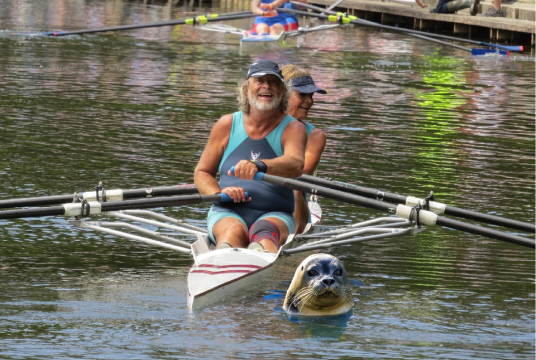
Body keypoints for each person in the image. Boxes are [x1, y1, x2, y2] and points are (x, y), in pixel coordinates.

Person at [194, 60, 307, 254]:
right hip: (227, 211)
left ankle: (255, 258)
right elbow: (202, 172)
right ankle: (225, 260)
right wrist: (219, 194)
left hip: (276, 214)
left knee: (264, 231)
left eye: (273, 82)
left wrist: (259, 165)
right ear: (247, 90)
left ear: (282, 92)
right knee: (232, 231)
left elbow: (296, 164)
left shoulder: (293, 128)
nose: (266, 86)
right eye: (260, 81)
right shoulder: (226, 124)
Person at [281, 64, 327, 234]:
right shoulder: (257, 126)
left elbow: (299, 173)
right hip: (257, 196)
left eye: (311, 95)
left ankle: (286, 239)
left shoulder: (315, 136)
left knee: (290, 187)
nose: (310, 101)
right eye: (302, 95)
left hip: (294, 205)